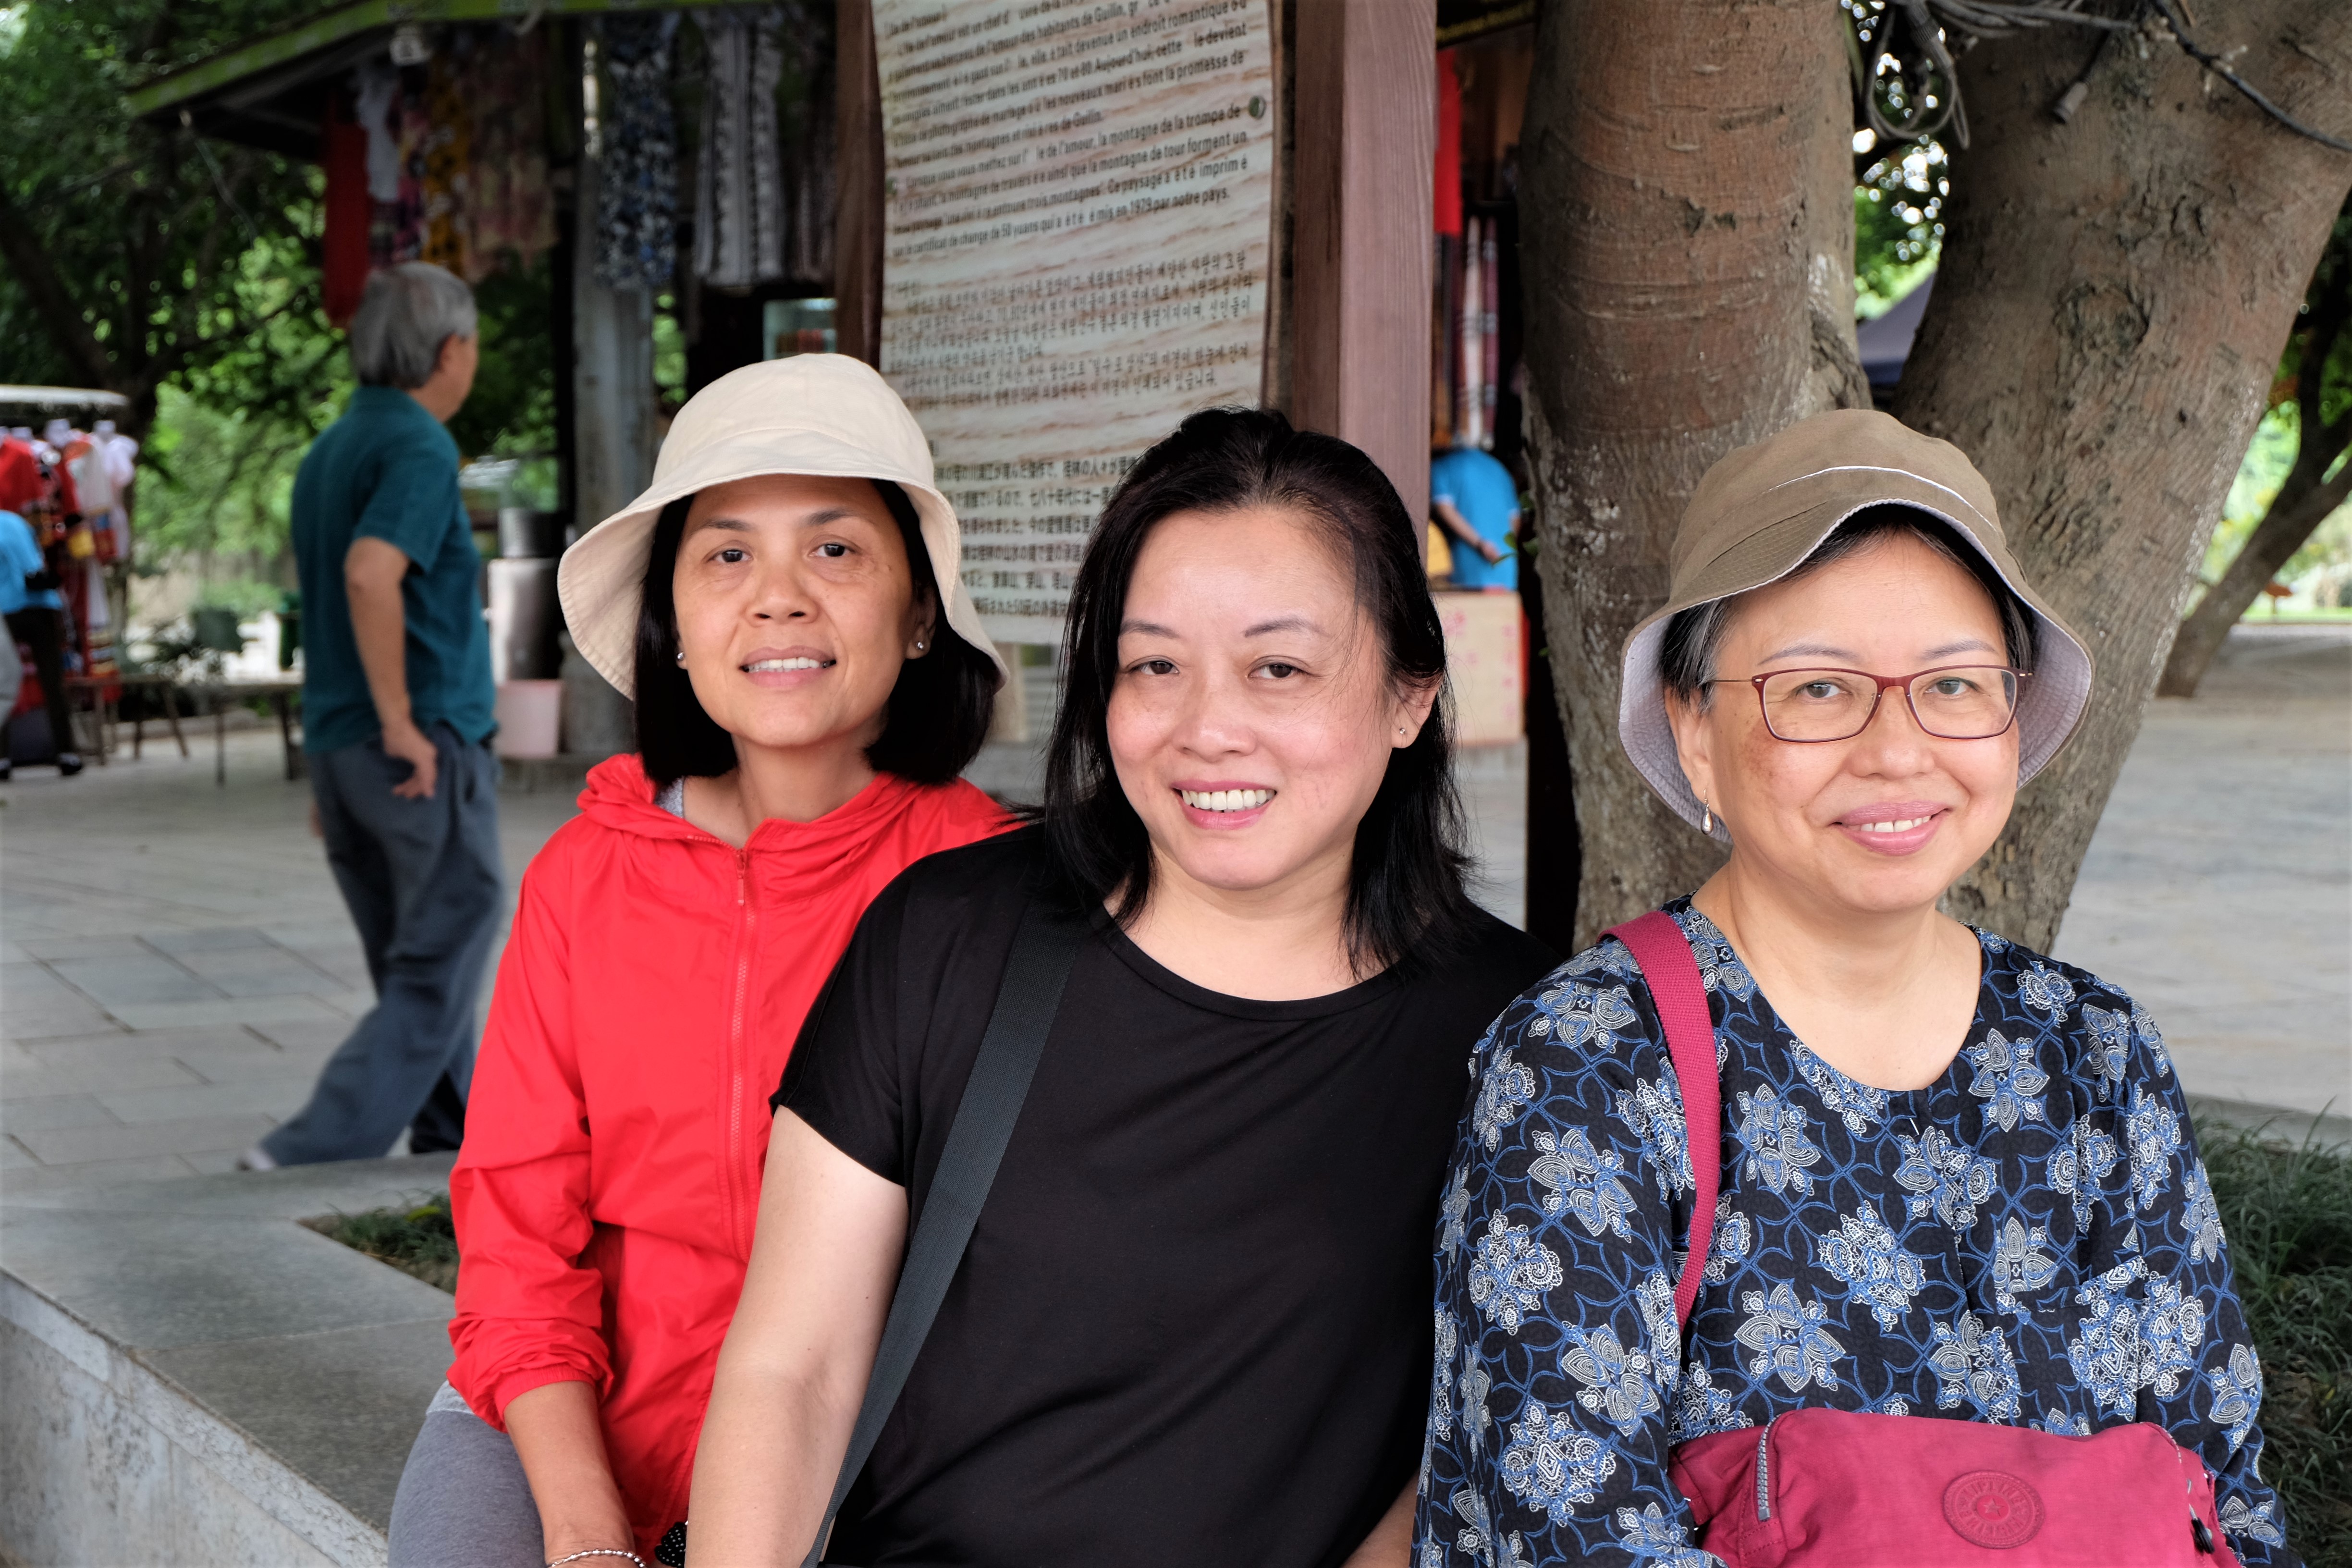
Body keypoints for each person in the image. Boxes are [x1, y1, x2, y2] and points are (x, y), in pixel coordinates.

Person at [1418, 410, 2292, 1565]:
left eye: (1953, 684)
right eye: (1819, 689)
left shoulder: (2095, 1054)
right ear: (1694, 729)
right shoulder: (1587, 1065)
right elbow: (1568, 1533)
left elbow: (2221, 1499)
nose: (1895, 749)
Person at [687, 407, 1557, 1566]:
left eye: (1279, 668)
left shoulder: (1525, 1039)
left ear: (1410, 694)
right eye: (1155, 666)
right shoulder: (946, 940)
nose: (1208, 729)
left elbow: (1467, 1452)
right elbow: (791, 1372)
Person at [386, 355, 1011, 1568]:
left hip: (864, 1442)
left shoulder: (988, 888)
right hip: (567, 1406)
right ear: (672, 625)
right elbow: (517, 1247)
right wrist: (585, 1536)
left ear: (919, 612)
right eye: (727, 554)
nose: (777, 599)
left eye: (836, 549)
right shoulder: (582, 876)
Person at [244, 262, 499, 1170]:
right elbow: (368, 574)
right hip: (415, 739)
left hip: (343, 745)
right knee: (449, 935)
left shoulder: (332, 449)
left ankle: (455, 1133)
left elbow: (325, 600)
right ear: (451, 349)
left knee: (412, 951)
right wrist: (398, 723)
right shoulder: (419, 447)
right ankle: (312, 1145)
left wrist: (336, 757)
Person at [0, 502, 81, 777]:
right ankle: (67, 753)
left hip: (7, 608)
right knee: (53, 682)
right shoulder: (16, 522)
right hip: (43, 604)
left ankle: (2, 759)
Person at [1430, 442, 1519, 591]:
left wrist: (1481, 544)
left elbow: (1444, 509)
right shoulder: (1499, 469)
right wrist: (1501, 547)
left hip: (1468, 567)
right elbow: (1515, 518)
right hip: (1505, 569)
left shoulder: (1442, 466)